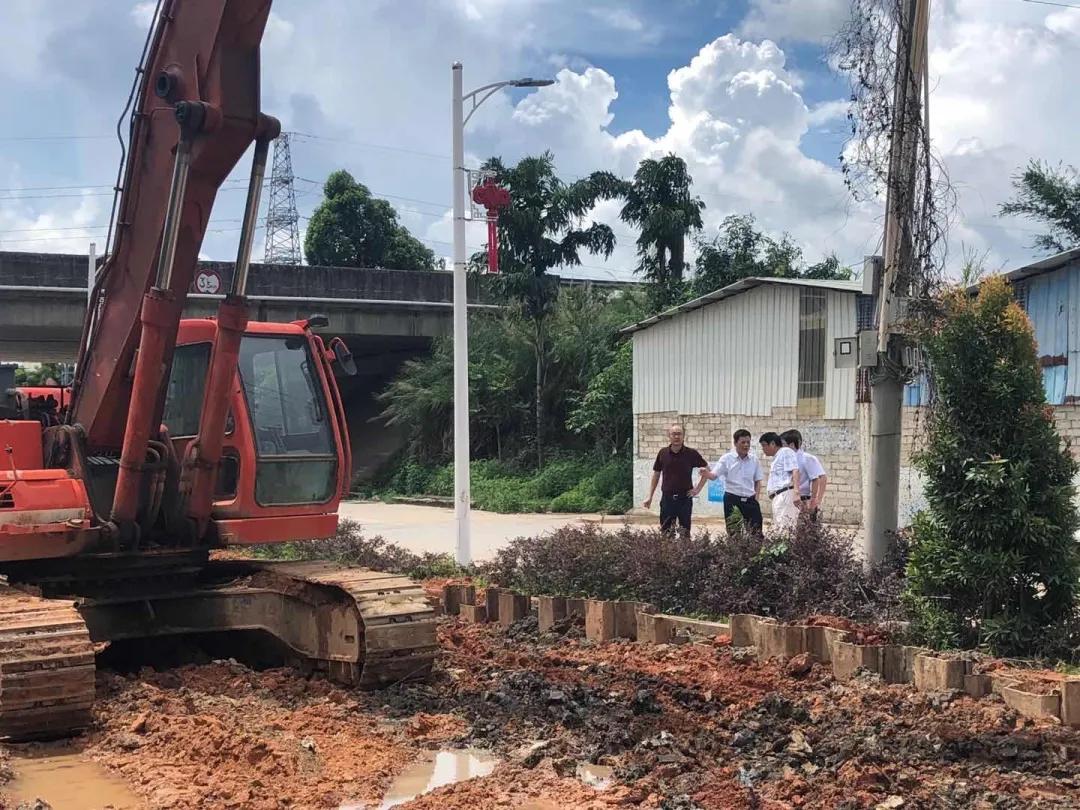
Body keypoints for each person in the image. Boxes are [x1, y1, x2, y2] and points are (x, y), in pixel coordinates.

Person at [643, 423, 710, 535]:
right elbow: (656, 474)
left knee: (685, 533)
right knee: (666, 533)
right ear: (669, 436)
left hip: (685, 499)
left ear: (684, 436)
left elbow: (707, 470)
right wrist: (650, 496)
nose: (677, 437)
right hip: (667, 499)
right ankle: (667, 553)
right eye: (674, 434)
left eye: (679, 434)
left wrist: (697, 489)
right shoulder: (662, 453)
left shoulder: (691, 453)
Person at [694, 428, 763, 533]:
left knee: (756, 532)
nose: (746, 445)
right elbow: (713, 476)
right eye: (743, 442)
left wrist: (756, 498)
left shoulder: (754, 460)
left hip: (750, 500)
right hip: (732, 499)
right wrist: (706, 473)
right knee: (734, 533)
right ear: (735, 443)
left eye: (748, 442)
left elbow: (758, 481)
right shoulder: (726, 459)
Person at [781, 429, 828, 519]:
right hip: (789, 500)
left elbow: (821, 478)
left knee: (806, 530)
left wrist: (816, 499)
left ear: (791, 445)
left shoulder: (806, 458)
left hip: (804, 500)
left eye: (783, 445)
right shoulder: (786, 460)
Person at [759, 431, 802, 530]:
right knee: (780, 529)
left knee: (785, 529)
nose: (763, 449)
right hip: (779, 496)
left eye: (764, 445)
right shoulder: (777, 456)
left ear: (773, 444)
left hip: (785, 495)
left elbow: (795, 470)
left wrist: (796, 492)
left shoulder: (785, 451)